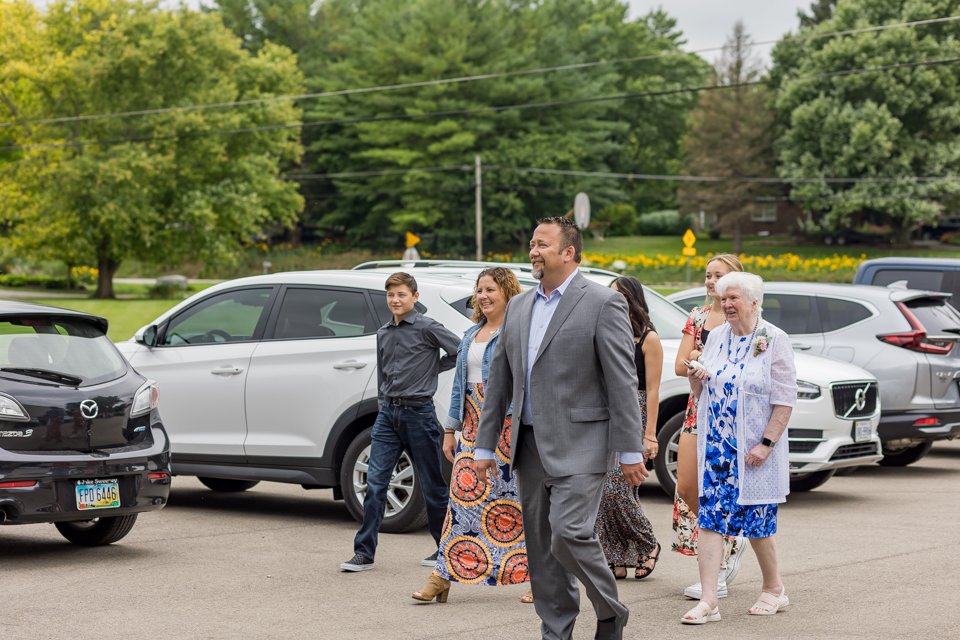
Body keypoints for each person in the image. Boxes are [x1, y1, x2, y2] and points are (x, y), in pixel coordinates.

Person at [474, 216, 648, 640]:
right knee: (541, 550)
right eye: (532, 243)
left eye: (542, 244)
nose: (533, 251)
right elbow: (501, 381)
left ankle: (610, 611)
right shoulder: (518, 307)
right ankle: (556, 632)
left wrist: (630, 450)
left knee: (568, 535)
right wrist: (483, 446)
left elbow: (621, 379)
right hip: (529, 447)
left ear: (568, 253)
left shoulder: (601, 303)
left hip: (583, 444)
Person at [410, 267, 534, 604]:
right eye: (479, 290)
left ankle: (538, 576)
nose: (483, 296)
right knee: (461, 502)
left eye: (491, 289)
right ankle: (443, 575)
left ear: (508, 292)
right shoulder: (471, 334)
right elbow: (458, 387)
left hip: (507, 427)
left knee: (515, 505)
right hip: (472, 426)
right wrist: (450, 429)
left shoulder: (517, 332)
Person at [680, 272, 796, 624]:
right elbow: (705, 392)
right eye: (722, 298)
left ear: (753, 302)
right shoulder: (716, 337)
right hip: (717, 447)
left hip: (754, 451)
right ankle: (710, 600)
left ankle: (774, 589)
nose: (725, 305)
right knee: (710, 520)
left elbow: (784, 399)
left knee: (757, 524)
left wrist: (766, 443)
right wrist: (695, 377)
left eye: (732, 298)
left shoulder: (774, 339)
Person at [340, 272, 461, 573]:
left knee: (433, 486)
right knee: (376, 484)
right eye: (391, 295)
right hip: (387, 416)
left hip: (419, 414)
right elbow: (383, 376)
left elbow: (460, 351)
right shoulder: (384, 332)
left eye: (402, 295)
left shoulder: (427, 327)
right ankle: (364, 553)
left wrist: (432, 368)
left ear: (415, 297)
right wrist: (383, 406)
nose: (395, 300)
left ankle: (444, 550)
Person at [672, 254, 747, 600]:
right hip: (697, 407)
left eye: (718, 275)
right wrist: (703, 359)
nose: (710, 281)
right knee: (688, 486)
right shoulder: (698, 316)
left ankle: (717, 570)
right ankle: (729, 536)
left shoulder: (747, 318)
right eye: (707, 275)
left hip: (730, 411)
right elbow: (679, 364)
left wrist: (706, 360)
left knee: (719, 486)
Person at [595, 276, 662, 581]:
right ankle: (615, 555)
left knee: (618, 487)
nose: (613, 301)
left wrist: (650, 434)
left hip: (636, 413)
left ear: (633, 299)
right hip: (605, 412)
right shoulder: (607, 332)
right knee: (603, 488)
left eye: (619, 296)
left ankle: (648, 544)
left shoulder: (649, 338)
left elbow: (654, 390)